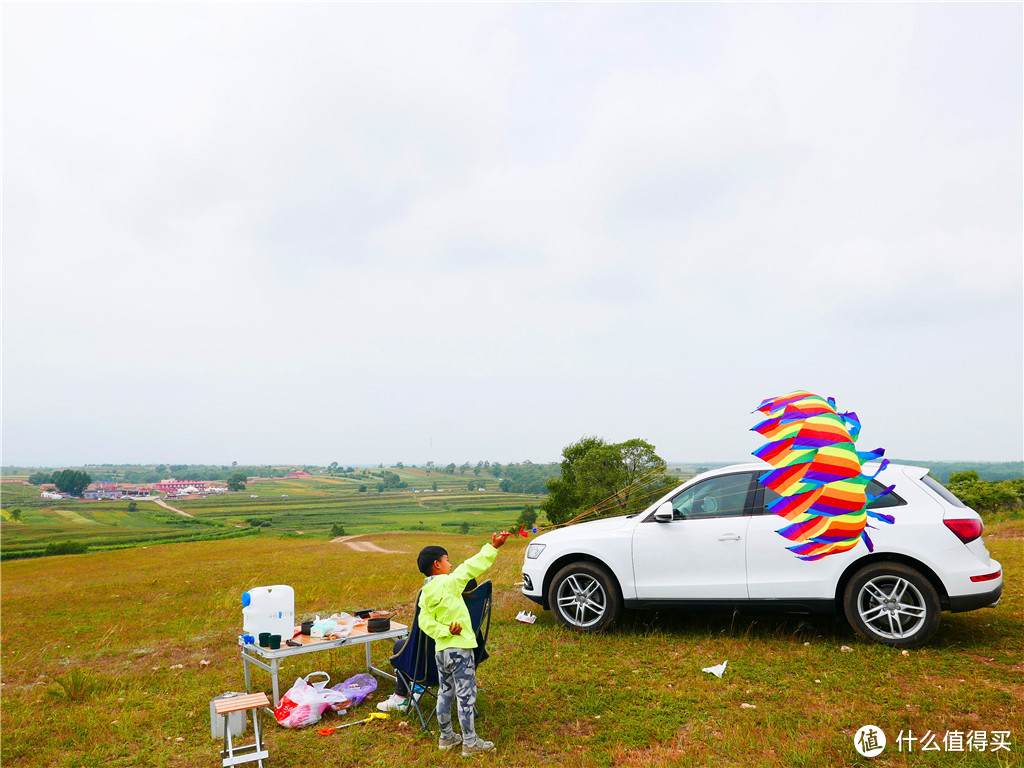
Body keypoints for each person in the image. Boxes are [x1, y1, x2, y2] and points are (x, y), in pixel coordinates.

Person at [417, 532, 508, 756]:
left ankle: (446, 737)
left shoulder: (425, 593)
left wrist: (443, 631)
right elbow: (470, 567)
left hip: (441, 651)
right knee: (466, 696)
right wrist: (493, 547)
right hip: (460, 649)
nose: (451, 564)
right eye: (448, 560)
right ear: (437, 564)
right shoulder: (449, 582)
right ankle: (470, 742)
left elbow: (424, 621)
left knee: (445, 693)